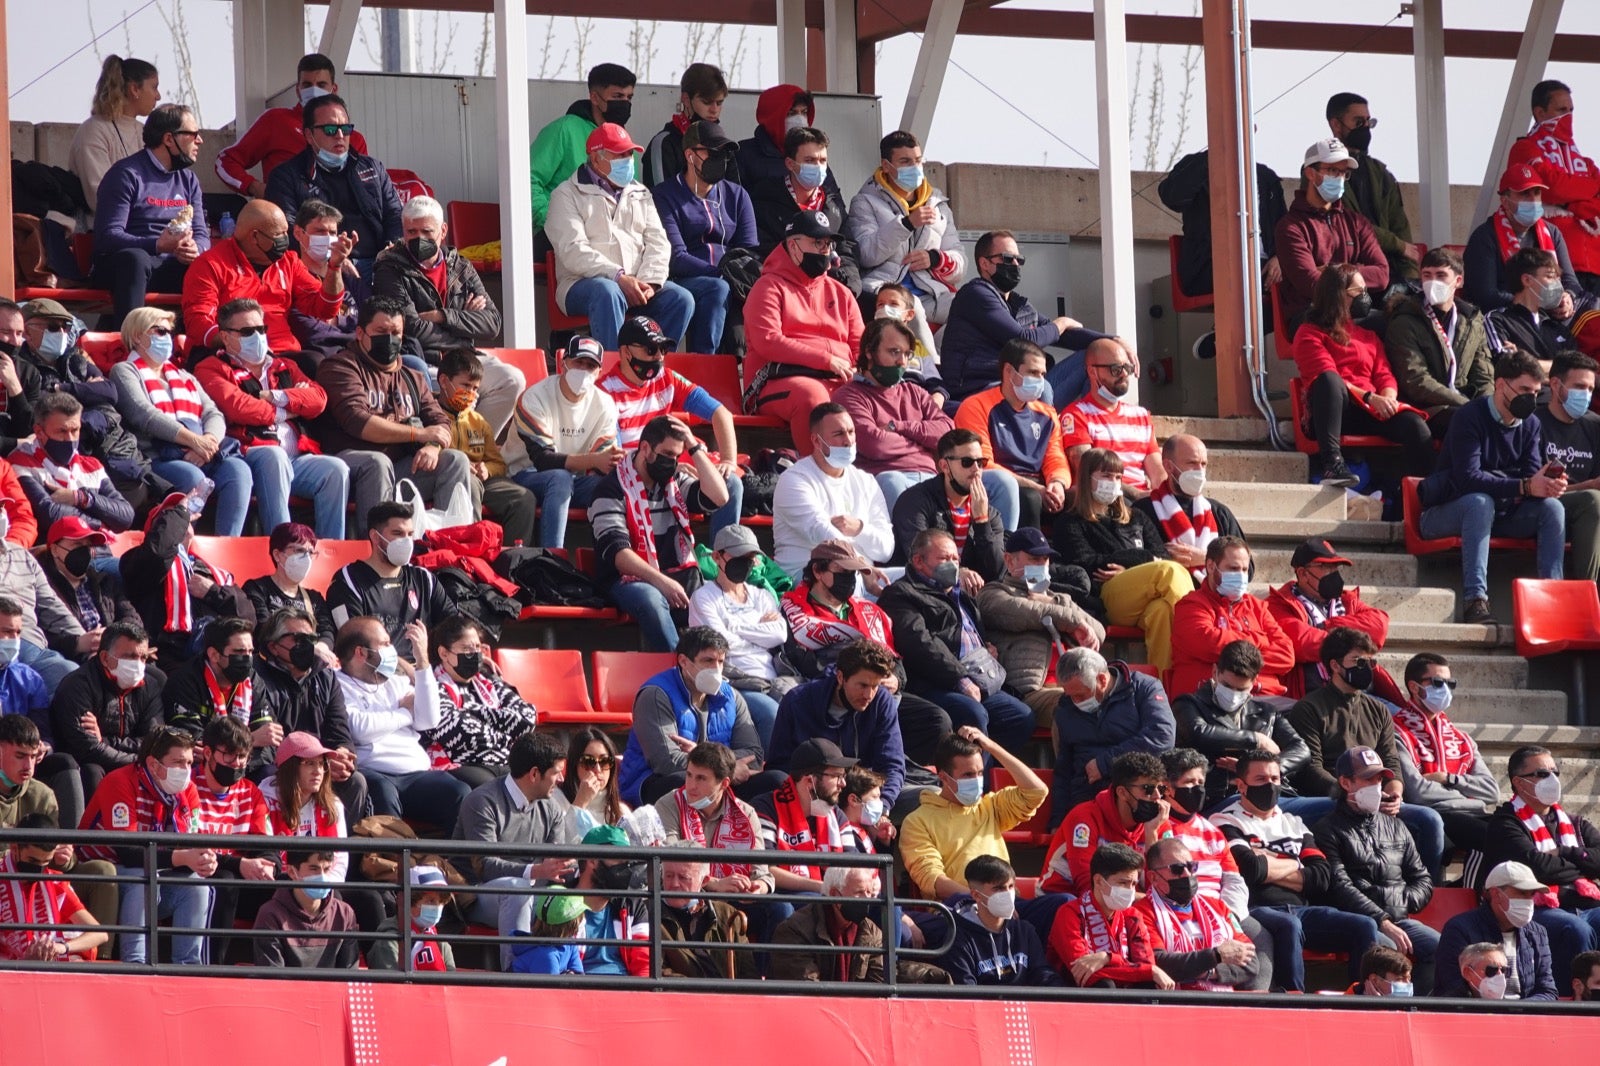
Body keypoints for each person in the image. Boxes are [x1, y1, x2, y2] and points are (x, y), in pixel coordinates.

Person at [1211, 748, 1377, 994]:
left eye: (1275, 779)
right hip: (1257, 909)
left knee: (1364, 925)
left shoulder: (1294, 822)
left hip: (1303, 909)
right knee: (1289, 925)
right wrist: (1297, 863)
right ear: (1241, 785)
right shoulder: (1224, 821)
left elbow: (1321, 876)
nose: (1270, 785)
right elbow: (1250, 869)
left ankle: (1365, 998)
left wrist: (1270, 861)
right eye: (1261, 779)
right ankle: (1294, 999)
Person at [1417, 350, 1566, 624]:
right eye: (1523, 390)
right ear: (1500, 385)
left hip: (1501, 514)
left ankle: (1552, 601)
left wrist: (1546, 483)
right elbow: (1467, 479)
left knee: (1552, 508)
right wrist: (1524, 486)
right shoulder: (1469, 416)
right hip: (1444, 512)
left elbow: (1530, 477)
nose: (1530, 399)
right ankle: (1475, 600)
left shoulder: (1531, 424)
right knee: (1479, 501)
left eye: (1535, 392)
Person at [1287, 627, 1447, 879]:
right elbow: (1310, 768)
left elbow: (1390, 759)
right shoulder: (1309, 707)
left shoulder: (1378, 710)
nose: (1367, 668)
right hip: (1333, 798)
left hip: (1375, 797)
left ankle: (1427, 892)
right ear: (1335, 665)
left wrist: (1394, 792)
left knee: (1430, 820)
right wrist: (1350, 795)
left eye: (1370, 662)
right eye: (1358, 661)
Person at [193, 297, 350, 539]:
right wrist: (292, 407)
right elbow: (239, 408)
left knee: (336, 469)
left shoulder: (283, 365)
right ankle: (284, 544)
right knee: (273, 456)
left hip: (297, 458)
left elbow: (318, 399)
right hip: (248, 455)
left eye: (261, 329)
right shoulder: (210, 367)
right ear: (225, 337)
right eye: (247, 331)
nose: (257, 336)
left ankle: (332, 551)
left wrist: (275, 396)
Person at [315, 297, 472, 535]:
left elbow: (440, 422)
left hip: (399, 469)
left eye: (396, 332)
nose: (390, 339)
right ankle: (377, 552)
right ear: (360, 333)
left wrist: (432, 445)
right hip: (350, 467)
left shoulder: (413, 377)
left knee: (455, 460)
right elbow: (359, 422)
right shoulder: (339, 367)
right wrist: (418, 434)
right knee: (377, 462)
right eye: (381, 331)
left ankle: (449, 549)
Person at [876, 530, 1035, 757]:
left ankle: (991, 776)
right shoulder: (901, 595)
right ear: (918, 560)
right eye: (944, 559)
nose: (952, 564)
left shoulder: (961, 594)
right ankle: (974, 783)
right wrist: (959, 678)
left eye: (955, 559)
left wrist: (986, 648)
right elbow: (920, 644)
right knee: (973, 713)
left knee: (1020, 716)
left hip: (978, 677)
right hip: (934, 682)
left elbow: (969, 631)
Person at [899, 728, 1064, 943]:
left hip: (1008, 902)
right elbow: (934, 881)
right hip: (961, 909)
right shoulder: (917, 821)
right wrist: (984, 901)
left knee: (1062, 904)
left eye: (980, 773)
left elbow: (1036, 791)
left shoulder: (989, 805)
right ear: (943, 778)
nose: (976, 780)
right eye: (968, 775)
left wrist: (990, 746)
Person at [372, 197, 521, 432]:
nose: (419, 238)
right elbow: (412, 326)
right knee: (460, 389)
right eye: (411, 231)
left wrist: (444, 316)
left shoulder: (460, 265)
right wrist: (464, 328)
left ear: (443, 231)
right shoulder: (390, 268)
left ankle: (473, 447)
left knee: (511, 379)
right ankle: (456, 450)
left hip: (465, 357)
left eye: (427, 231)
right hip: (423, 360)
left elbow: (492, 323)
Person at [588, 414, 728, 652]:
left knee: (710, 598)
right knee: (651, 598)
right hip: (625, 580)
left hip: (676, 574)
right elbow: (619, 554)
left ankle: (714, 666)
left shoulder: (673, 483)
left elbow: (719, 497)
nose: (672, 462)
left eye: (677, 455)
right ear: (646, 448)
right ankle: (682, 669)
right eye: (667, 454)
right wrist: (661, 581)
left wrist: (694, 448)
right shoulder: (610, 488)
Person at [112, 306, 256, 536]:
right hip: (157, 457)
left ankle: (227, 546)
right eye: (160, 331)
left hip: (202, 451)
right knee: (193, 478)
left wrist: (208, 442)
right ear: (138, 335)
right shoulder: (124, 371)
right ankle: (183, 548)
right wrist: (193, 441)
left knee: (238, 470)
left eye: (170, 332)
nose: (167, 338)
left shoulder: (183, 375)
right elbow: (143, 414)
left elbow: (213, 413)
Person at [547, 123, 692, 350]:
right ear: (596, 159)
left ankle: (652, 368)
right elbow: (573, 251)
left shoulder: (641, 192)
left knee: (682, 299)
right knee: (608, 291)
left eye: (630, 153)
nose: (629, 159)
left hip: (635, 283)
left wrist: (650, 282)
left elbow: (659, 243)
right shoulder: (565, 194)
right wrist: (618, 277)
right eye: (620, 154)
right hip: (581, 285)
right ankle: (613, 373)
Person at [596, 314, 744, 537]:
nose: (658, 357)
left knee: (730, 484)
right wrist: (669, 467)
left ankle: (721, 562)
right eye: (650, 349)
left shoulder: (667, 378)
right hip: (633, 478)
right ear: (626, 352)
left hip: (670, 473)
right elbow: (616, 459)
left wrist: (728, 461)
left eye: (663, 349)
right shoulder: (604, 391)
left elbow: (719, 412)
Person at [78, 726, 215, 965]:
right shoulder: (119, 781)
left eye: (189, 763)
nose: (185, 771)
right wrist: (184, 858)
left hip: (157, 874)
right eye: (178, 762)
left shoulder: (188, 791)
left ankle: (189, 967)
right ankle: (136, 963)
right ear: (153, 764)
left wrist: (203, 860)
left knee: (197, 886)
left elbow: (190, 844)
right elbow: (128, 852)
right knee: (142, 878)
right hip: (103, 876)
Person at [1312, 745, 1440, 995]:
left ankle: (1419, 1008)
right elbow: (1340, 886)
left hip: (1400, 919)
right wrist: (1382, 919)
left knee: (1444, 948)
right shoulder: (1327, 829)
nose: (1377, 785)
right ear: (1345, 783)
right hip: (1362, 921)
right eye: (1368, 778)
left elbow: (1423, 879)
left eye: (1380, 779)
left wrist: (1400, 900)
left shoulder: (1397, 826)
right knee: (1384, 955)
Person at [1054, 448, 1193, 673]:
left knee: (1161, 612)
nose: (1114, 482)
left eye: (1118, 477)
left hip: (1145, 596)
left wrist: (1128, 566)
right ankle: (1193, 630)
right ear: (1087, 478)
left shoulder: (1137, 516)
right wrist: (1146, 559)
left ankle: (1166, 686)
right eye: (1106, 476)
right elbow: (1088, 563)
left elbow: (1164, 554)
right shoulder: (1070, 522)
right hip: (1107, 596)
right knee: (1168, 571)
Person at [941, 230, 1120, 405]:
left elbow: (1062, 335)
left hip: (1024, 385)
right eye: (1007, 258)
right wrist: (1062, 322)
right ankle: (1040, 431)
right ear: (984, 263)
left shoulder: (1019, 305)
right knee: (1042, 389)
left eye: (1019, 260)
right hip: (981, 388)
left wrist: (1113, 342)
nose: (1015, 265)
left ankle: (1089, 424)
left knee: (1094, 359)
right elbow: (1022, 340)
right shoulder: (975, 295)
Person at [10, 299, 158, 508]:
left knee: (146, 486)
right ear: (27, 332)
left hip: (106, 443)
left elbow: (109, 392)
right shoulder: (23, 368)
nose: (61, 333)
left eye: (66, 327)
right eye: (53, 327)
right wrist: (88, 396)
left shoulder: (76, 358)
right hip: (62, 450)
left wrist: (61, 389)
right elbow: (44, 408)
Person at [1294, 263, 1433, 485]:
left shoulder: (1368, 335)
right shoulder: (1309, 333)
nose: (1365, 297)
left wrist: (1387, 399)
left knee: (1415, 426)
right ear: (1338, 295)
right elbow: (1325, 376)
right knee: (1330, 381)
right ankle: (1333, 464)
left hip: (1370, 409)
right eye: (1358, 292)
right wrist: (1369, 397)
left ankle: (1426, 491)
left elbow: (1384, 374)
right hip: (1336, 412)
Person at [452, 731, 580, 965]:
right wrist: (537, 871)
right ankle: (515, 974)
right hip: (476, 895)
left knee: (578, 898)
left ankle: (574, 972)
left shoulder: (552, 808)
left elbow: (557, 865)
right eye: (556, 772)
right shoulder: (482, 802)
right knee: (517, 889)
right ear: (534, 774)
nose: (561, 779)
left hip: (535, 895)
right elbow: (486, 867)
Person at [742, 209, 866, 451]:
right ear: (793, 245)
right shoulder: (768, 286)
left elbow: (860, 344)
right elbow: (768, 341)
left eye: (828, 244)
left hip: (836, 377)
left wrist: (863, 370)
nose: (825, 250)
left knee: (869, 397)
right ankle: (816, 472)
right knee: (812, 397)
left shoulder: (841, 292)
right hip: (776, 379)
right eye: (817, 242)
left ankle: (864, 476)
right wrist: (826, 360)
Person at [617, 626, 781, 806]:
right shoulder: (656, 695)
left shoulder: (731, 697)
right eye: (708, 661)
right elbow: (667, 761)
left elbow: (754, 754)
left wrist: (706, 758)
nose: (716, 669)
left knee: (777, 781)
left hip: (721, 779)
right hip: (657, 781)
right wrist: (726, 767)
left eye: (720, 662)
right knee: (685, 784)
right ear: (683, 661)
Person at [334, 615, 469, 830]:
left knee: (459, 793)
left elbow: (429, 719)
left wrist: (423, 662)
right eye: (385, 644)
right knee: (383, 794)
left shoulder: (396, 682)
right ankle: (394, 864)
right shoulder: (336, 683)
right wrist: (405, 713)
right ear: (361, 652)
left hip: (416, 774)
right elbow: (360, 729)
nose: (392, 650)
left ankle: (453, 863)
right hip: (374, 772)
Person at [181, 199, 351, 368]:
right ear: (254, 236)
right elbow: (199, 324)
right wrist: (247, 342)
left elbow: (325, 309)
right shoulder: (210, 264)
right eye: (278, 235)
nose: (285, 239)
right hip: (232, 354)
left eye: (286, 232)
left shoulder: (288, 261)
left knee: (318, 364)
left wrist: (334, 267)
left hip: (284, 354)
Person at [766, 640, 912, 829]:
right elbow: (780, 765)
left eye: (875, 686)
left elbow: (892, 764)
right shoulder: (797, 701)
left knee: (925, 796)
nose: (869, 694)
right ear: (841, 677)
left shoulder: (881, 701)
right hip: (813, 796)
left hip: (863, 796)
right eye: (863, 685)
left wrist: (881, 807)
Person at [1485, 744, 1600, 982]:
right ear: (1519, 782)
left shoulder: (1574, 823)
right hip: (1538, 908)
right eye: (1542, 774)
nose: (1552, 779)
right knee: (1576, 930)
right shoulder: (1507, 822)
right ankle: (1575, 1002)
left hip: (1585, 905)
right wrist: (1582, 869)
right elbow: (1537, 867)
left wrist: (1566, 852)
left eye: (1554, 773)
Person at [92, 103, 209, 328]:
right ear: (168, 139)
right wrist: (157, 245)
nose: (199, 141)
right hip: (125, 267)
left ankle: (198, 347)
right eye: (193, 134)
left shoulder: (189, 180)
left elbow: (202, 233)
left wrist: (197, 249)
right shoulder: (126, 174)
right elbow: (107, 237)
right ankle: (133, 343)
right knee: (137, 259)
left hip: (168, 265)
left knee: (211, 264)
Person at [976, 527, 1105, 728]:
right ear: (1009, 560)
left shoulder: (1057, 598)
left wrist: (1053, 601)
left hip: (1075, 683)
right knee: (1071, 705)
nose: (1041, 565)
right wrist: (1066, 616)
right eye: (1034, 559)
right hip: (1032, 691)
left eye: (1045, 560)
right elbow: (1025, 611)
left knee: (1120, 700)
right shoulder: (994, 594)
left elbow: (1098, 632)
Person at [264, 94, 402, 278]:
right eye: (330, 129)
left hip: (378, 262)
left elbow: (395, 215)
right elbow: (287, 230)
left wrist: (389, 252)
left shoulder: (373, 168)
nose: (339, 136)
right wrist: (334, 260)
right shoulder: (285, 177)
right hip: (320, 267)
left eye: (345, 129)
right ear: (309, 135)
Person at [253, 606, 369, 821]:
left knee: (355, 781)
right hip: (281, 767)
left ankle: (341, 853)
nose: (305, 645)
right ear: (273, 646)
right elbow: (270, 744)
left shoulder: (326, 676)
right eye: (297, 638)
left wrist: (340, 756)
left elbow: (340, 732)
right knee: (268, 777)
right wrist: (314, 763)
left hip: (319, 764)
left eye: (310, 638)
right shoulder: (257, 677)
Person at [649, 119, 754, 354]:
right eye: (713, 152)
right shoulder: (664, 196)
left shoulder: (737, 195)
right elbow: (675, 257)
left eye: (725, 153)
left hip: (731, 283)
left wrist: (736, 276)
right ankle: (704, 363)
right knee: (717, 288)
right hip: (683, 280)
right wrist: (721, 273)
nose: (721, 159)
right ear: (690, 155)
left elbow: (749, 251)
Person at [1172, 640, 1313, 815]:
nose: (1233, 695)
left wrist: (1260, 771)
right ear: (1215, 672)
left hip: (1274, 798)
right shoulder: (1189, 704)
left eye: (1241, 689)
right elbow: (1200, 733)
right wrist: (1256, 740)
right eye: (1227, 686)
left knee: (1332, 807)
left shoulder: (1267, 712)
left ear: (1254, 682)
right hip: (1223, 798)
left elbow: (1302, 750)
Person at [507, 335, 621, 548]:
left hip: (575, 481)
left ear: (599, 372)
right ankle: (552, 558)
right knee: (560, 478)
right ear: (563, 363)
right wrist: (594, 460)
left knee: (615, 485)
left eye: (590, 366)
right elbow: (543, 460)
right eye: (578, 362)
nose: (583, 370)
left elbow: (602, 462)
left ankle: (614, 558)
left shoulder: (605, 404)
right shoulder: (534, 397)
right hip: (524, 475)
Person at [834, 318, 955, 512]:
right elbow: (876, 444)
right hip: (885, 478)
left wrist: (899, 427)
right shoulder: (848, 396)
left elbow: (948, 434)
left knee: (1000, 483)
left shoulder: (915, 391)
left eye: (907, 354)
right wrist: (923, 442)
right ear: (869, 352)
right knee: (892, 481)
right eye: (894, 352)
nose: (902, 361)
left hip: (932, 478)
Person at [654, 742, 778, 927]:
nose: (691, 785)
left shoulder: (747, 813)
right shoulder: (668, 804)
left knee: (780, 909)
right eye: (689, 775)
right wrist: (715, 884)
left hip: (735, 897)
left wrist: (757, 888)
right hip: (690, 893)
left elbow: (762, 873)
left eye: (701, 778)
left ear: (724, 783)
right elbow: (670, 861)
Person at [687, 525, 789, 750]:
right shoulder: (704, 597)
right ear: (717, 557)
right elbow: (722, 646)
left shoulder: (762, 595)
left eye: (751, 557)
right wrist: (758, 630)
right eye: (739, 556)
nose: (746, 562)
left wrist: (734, 627)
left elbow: (779, 634)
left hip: (772, 680)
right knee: (772, 714)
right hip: (735, 682)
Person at [954, 338, 1071, 532]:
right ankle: (1025, 558)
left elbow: (1056, 458)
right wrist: (1037, 489)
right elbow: (982, 463)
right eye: (1033, 373)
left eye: (1042, 374)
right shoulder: (976, 406)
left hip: (1040, 484)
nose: (1040, 381)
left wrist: (1057, 484)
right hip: (999, 484)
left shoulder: (1047, 414)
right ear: (1009, 371)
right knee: (1029, 498)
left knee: (1083, 500)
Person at [1051, 647, 1178, 825]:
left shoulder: (1144, 688)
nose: (1075, 702)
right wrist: (1058, 821)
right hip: (1088, 798)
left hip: (1137, 791)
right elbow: (1063, 770)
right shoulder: (1065, 709)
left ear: (1102, 680)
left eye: (1080, 695)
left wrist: (1104, 763)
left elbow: (1162, 736)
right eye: (1070, 695)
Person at [849, 130, 965, 324]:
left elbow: (960, 263)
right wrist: (906, 224)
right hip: (884, 292)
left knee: (972, 308)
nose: (915, 167)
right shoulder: (864, 202)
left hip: (932, 293)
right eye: (905, 162)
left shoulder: (938, 203)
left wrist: (936, 259)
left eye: (918, 160)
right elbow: (867, 254)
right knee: (914, 308)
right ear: (886, 166)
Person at [215, 53, 369, 198]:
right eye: (307, 85)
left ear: (333, 90)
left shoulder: (353, 139)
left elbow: (365, 186)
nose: (314, 90)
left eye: (321, 85)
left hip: (337, 222)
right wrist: (255, 187)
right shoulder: (276, 121)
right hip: (284, 219)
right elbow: (226, 161)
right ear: (298, 90)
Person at [1273, 138, 1388, 329]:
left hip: (1355, 309)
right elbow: (1311, 284)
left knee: (1396, 323)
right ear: (1311, 173)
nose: (1340, 178)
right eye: (1333, 171)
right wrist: (1356, 275)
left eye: (1344, 172)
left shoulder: (1357, 222)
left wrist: (1331, 270)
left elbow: (1382, 274)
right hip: (1309, 314)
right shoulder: (1291, 227)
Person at [1391, 652, 1498, 857]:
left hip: (1474, 813)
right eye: (1438, 682)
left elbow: (1491, 791)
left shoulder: (1462, 738)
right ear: (1414, 687)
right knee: (1498, 839)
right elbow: (1418, 793)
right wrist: (1467, 793)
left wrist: (1448, 779)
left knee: (1520, 832)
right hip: (1436, 814)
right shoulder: (1397, 731)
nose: (1446, 690)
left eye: (1451, 683)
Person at [773, 403, 893, 579]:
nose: (848, 441)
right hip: (810, 576)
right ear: (815, 441)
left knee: (914, 583)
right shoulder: (793, 480)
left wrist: (860, 528)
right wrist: (863, 567)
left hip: (861, 576)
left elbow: (886, 550)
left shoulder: (866, 481)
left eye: (851, 432)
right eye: (838, 434)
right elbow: (825, 535)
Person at [1266, 537, 1396, 701]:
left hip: (1363, 694)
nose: (1334, 573)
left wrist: (1328, 626)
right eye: (1325, 567)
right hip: (1313, 698)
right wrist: (1353, 640)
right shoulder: (1279, 604)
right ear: (1303, 573)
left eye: (1335, 566)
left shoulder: (1347, 600)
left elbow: (1379, 627)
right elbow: (1301, 643)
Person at [433, 347, 538, 548]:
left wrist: (486, 469)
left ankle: (512, 559)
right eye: (465, 385)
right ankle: (472, 552)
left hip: (482, 480)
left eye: (475, 389)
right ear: (444, 381)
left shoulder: (478, 421)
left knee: (524, 499)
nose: (471, 394)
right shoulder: (430, 414)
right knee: (469, 485)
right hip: (448, 479)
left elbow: (498, 464)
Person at [1384, 247, 1495, 434]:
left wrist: (1487, 405)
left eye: (1441, 275)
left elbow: (1483, 371)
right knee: (1469, 422)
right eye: (1427, 275)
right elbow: (1416, 380)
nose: (1432, 282)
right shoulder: (1404, 320)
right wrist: (1467, 406)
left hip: (1465, 404)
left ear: (1458, 281)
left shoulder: (1472, 319)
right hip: (1427, 408)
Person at [326, 502, 455, 661]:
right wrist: (408, 670)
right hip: (376, 677)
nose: (407, 541)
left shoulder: (424, 579)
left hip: (425, 671)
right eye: (398, 533)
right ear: (375, 536)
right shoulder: (347, 582)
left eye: (410, 534)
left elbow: (453, 626)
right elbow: (356, 646)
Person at [48, 621, 163, 799]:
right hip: (89, 765)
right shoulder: (78, 686)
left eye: (142, 658)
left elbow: (153, 741)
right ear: (104, 657)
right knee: (93, 771)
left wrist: (106, 741)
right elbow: (88, 749)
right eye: (130, 656)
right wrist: (139, 760)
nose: (138, 664)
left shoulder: (151, 684)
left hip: (129, 762)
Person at [1170, 536, 1295, 699]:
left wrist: (1233, 655)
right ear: (1210, 566)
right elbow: (1208, 642)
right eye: (1233, 568)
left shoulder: (1257, 607)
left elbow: (1286, 656)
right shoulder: (1191, 605)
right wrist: (1260, 639)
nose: (1241, 575)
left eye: (1244, 569)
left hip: (1266, 699)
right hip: (1210, 699)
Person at [1158, 147, 1288, 302]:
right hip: (1209, 266)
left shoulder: (1265, 177)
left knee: (1304, 279)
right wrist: (1212, 158)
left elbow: (1284, 228)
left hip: (1262, 264)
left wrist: (1280, 257)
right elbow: (1172, 198)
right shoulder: (1198, 165)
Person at [423, 614, 538, 788]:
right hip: (463, 765)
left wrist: (469, 712)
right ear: (444, 653)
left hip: (505, 761)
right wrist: (505, 731)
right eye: (467, 649)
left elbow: (528, 717)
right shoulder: (431, 686)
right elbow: (461, 731)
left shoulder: (488, 682)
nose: (475, 654)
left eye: (478, 647)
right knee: (498, 792)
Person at [747, 125, 863, 296]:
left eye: (822, 161)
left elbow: (848, 248)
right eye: (810, 161)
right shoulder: (765, 200)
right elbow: (761, 249)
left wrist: (849, 282)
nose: (818, 167)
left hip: (831, 290)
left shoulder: (833, 204)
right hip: (784, 290)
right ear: (790, 164)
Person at [1139, 836, 1267, 991]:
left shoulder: (1218, 906)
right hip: (1174, 1004)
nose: (1187, 874)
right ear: (1153, 877)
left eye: (1191, 867)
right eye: (1177, 869)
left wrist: (1210, 972)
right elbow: (1159, 962)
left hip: (1223, 1002)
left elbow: (1251, 962)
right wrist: (1216, 957)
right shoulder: (1142, 912)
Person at [1508, 79, 1600, 289]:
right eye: (1561, 110)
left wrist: (1572, 204)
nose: (1569, 116)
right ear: (1540, 113)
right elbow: (1550, 186)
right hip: (1552, 262)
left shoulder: (1584, 161)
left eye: (1571, 110)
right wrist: (1587, 192)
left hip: (1595, 263)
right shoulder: (1525, 148)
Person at [1040, 751, 1171, 896]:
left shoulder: (1159, 822)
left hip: (1124, 905)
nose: (1157, 796)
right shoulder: (1084, 818)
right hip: (1062, 897)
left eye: (1161, 789)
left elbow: (1161, 888)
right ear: (1122, 792)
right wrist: (1145, 900)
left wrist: (1151, 835)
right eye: (1148, 789)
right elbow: (1087, 886)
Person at [163, 615, 279, 778]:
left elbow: (269, 740)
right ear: (214, 655)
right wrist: (250, 740)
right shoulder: (185, 681)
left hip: (247, 768)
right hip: (200, 772)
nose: (247, 659)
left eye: (250, 652)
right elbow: (193, 743)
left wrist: (234, 757)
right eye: (239, 652)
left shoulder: (252, 680)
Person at [887, 427, 1010, 580]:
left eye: (981, 462)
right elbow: (919, 559)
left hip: (973, 597)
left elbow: (997, 573)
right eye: (967, 462)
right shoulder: (915, 501)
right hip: (922, 592)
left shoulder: (988, 513)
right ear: (944, 466)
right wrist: (957, 574)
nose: (976, 469)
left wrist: (981, 523)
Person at [529, 62, 637, 230]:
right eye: (617, 96)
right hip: (559, 236)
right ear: (594, 98)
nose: (625, 103)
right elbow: (526, 180)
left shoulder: (624, 139)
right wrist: (553, 220)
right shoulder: (564, 129)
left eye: (629, 98)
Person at [11, 391, 136, 536]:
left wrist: (80, 498)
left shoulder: (92, 465)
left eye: (75, 430)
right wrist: (101, 525)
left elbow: (125, 515)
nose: (69, 439)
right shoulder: (21, 463)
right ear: (39, 432)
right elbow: (50, 515)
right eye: (62, 431)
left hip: (102, 548)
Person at [1048, 842, 1170, 988]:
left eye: (1133, 884)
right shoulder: (1069, 913)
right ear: (1098, 881)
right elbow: (1084, 972)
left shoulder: (1133, 915)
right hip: (1073, 996)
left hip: (1123, 992)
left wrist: (1106, 959)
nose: (1130, 890)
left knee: (1148, 984)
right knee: (1104, 985)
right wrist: (1113, 959)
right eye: (1123, 883)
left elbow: (1146, 966)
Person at [1463, 164, 1583, 312]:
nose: (1533, 200)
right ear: (1505, 201)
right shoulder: (1484, 237)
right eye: (1525, 194)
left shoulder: (1552, 233)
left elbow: (1571, 282)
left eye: (1537, 192)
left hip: (1552, 318)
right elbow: (1485, 295)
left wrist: (1567, 297)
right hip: (1506, 319)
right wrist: (1537, 303)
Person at [1324, 92, 1417, 281]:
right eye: (1358, 122)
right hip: (1347, 273)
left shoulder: (1381, 174)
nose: (1365, 128)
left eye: (1369, 122)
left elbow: (1402, 230)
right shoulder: (1321, 169)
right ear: (1336, 125)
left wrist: (1411, 280)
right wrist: (1397, 245)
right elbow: (1347, 223)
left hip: (1388, 270)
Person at [1436, 860, 1558, 1001]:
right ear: (1496, 893)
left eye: (1531, 894)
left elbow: (1548, 991)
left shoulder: (1538, 934)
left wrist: (1518, 1013)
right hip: (1477, 1017)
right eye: (1522, 893)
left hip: (1524, 1018)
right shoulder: (1459, 930)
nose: (1528, 901)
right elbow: (1453, 989)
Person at [1134, 434, 1246, 585]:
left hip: (1216, 600)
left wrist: (1206, 558)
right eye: (1192, 463)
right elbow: (1134, 562)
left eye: (1204, 464)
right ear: (1168, 466)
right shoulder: (1143, 510)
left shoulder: (1219, 512)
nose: (1199, 470)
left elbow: (1247, 568)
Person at [0, 811, 110, 962]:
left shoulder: (55, 883)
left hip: (49, 965)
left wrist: (61, 947)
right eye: (32, 860)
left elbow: (99, 933)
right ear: (14, 848)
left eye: (45, 863)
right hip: (8, 970)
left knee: (76, 961)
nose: (38, 869)